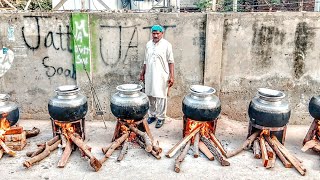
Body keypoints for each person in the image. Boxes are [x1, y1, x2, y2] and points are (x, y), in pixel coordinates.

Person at [139, 25, 174, 128]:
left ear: (162, 33)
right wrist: (142, 73)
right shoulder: (148, 45)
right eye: (154, 33)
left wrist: (172, 76)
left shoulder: (167, 45)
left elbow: (171, 61)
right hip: (149, 74)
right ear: (152, 34)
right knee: (150, 95)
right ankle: (152, 115)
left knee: (161, 96)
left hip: (162, 75)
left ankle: (161, 117)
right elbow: (145, 60)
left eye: (158, 33)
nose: (155, 35)